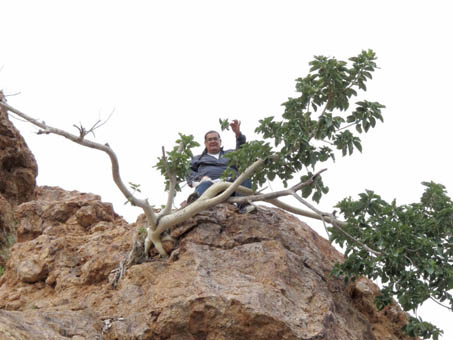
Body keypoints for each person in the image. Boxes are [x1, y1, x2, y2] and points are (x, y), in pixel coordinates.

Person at [186, 120, 255, 213]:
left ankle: (245, 205)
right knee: (204, 184)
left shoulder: (230, 153)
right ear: (205, 143)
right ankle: (196, 203)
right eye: (209, 139)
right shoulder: (198, 158)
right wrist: (200, 178)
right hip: (210, 186)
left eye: (215, 139)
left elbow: (242, 150)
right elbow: (189, 172)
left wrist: (238, 133)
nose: (213, 141)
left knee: (244, 178)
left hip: (231, 184)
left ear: (220, 141)